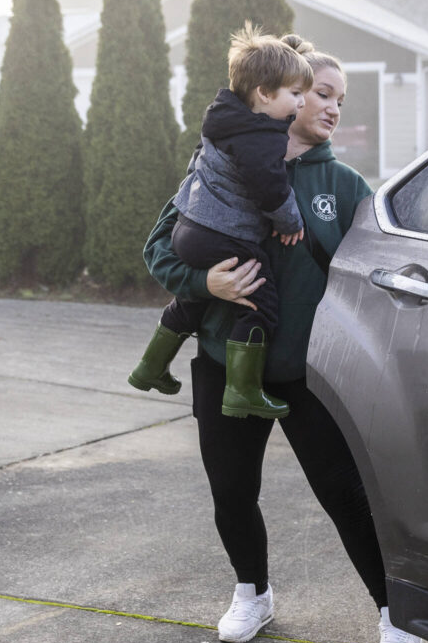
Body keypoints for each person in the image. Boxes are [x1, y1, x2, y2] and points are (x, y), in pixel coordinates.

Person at [141, 35, 424, 643]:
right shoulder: (214, 164)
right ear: (280, 96)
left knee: (345, 496)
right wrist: (203, 284)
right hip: (223, 365)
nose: (330, 109)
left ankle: (395, 620)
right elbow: (158, 248)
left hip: (306, 375)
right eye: (320, 93)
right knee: (232, 492)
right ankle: (253, 593)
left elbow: (385, 273)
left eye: (339, 101)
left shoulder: (344, 185)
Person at [128, 22, 313, 420]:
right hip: (223, 234)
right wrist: (289, 221)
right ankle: (243, 390)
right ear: (264, 93)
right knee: (259, 302)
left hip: (191, 229)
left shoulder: (224, 119)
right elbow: (270, 188)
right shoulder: (262, 136)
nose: (301, 103)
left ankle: (150, 367)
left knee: (193, 301)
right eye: (296, 94)